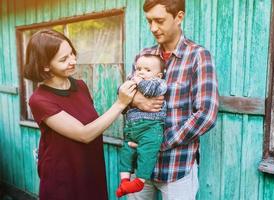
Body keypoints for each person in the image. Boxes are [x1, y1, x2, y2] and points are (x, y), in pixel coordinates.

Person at [24, 29, 136, 200]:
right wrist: (120, 103)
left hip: (90, 167)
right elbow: (84, 134)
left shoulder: (80, 86)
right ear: (45, 65)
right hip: (63, 175)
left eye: (72, 54)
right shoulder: (39, 100)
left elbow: (93, 122)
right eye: (64, 59)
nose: (73, 61)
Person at [127, 0, 219, 199]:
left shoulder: (198, 56)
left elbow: (206, 114)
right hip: (141, 166)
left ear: (179, 17)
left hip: (177, 168)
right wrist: (136, 101)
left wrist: (159, 142)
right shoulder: (143, 56)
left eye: (159, 21)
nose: (153, 28)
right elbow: (124, 97)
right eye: (149, 21)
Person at [116, 55, 167, 197]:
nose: (140, 72)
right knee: (126, 153)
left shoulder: (159, 84)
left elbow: (150, 91)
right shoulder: (134, 80)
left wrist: (137, 81)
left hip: (150, 128)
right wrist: (126, 85)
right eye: (138, 69)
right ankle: (124, 181)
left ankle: (139, 181)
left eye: (147, 69)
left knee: (146, 153)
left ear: (159, 75)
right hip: (132, 128)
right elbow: (120, 92)